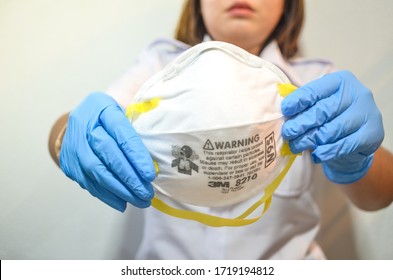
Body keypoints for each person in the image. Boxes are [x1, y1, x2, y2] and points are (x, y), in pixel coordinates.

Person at [49, 0, 393, 259]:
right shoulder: (158, 65)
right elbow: (74, 125)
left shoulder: (315, 82)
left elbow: (381, 194)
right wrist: (68, 136)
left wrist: (358, 160)